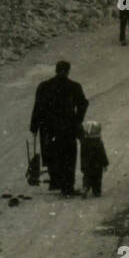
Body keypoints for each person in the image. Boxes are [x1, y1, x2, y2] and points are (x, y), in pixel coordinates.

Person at [29, 60, 89, 196]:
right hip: (67, 127)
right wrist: (77, 119)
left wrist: (34, 126)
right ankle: (67, 186)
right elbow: (83, 104)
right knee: (68, 155)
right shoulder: (74, 86)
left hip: (48, 127)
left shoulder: (44, 86)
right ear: (68, 71)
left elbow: (37, 107)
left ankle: (56, 182)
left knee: (52, 153)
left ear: (56, 70)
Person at [79, 120, 109, 197]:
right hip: (97, 165)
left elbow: (82, 155)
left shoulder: (84, 143)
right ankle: (96, 191)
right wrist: (105, 164)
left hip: (86, 164)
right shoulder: (98, 143)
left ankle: (85, 187)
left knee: (86, 177)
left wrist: (82, 165)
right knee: (97, 179)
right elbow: (102, 154)